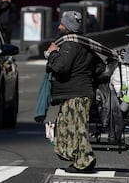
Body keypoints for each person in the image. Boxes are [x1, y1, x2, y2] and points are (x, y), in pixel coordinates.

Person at [45, 10, 105, 173]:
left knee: (76, 129)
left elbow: (61, 68)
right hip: (79, 92)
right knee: (69, 127)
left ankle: (84, 161)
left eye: (62, 24)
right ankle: (80, 158)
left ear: (68, 27)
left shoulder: (69, 44)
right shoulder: (84, 43)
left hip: (76, 93)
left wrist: (52, 54)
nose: (59, 26)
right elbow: (100, 67)